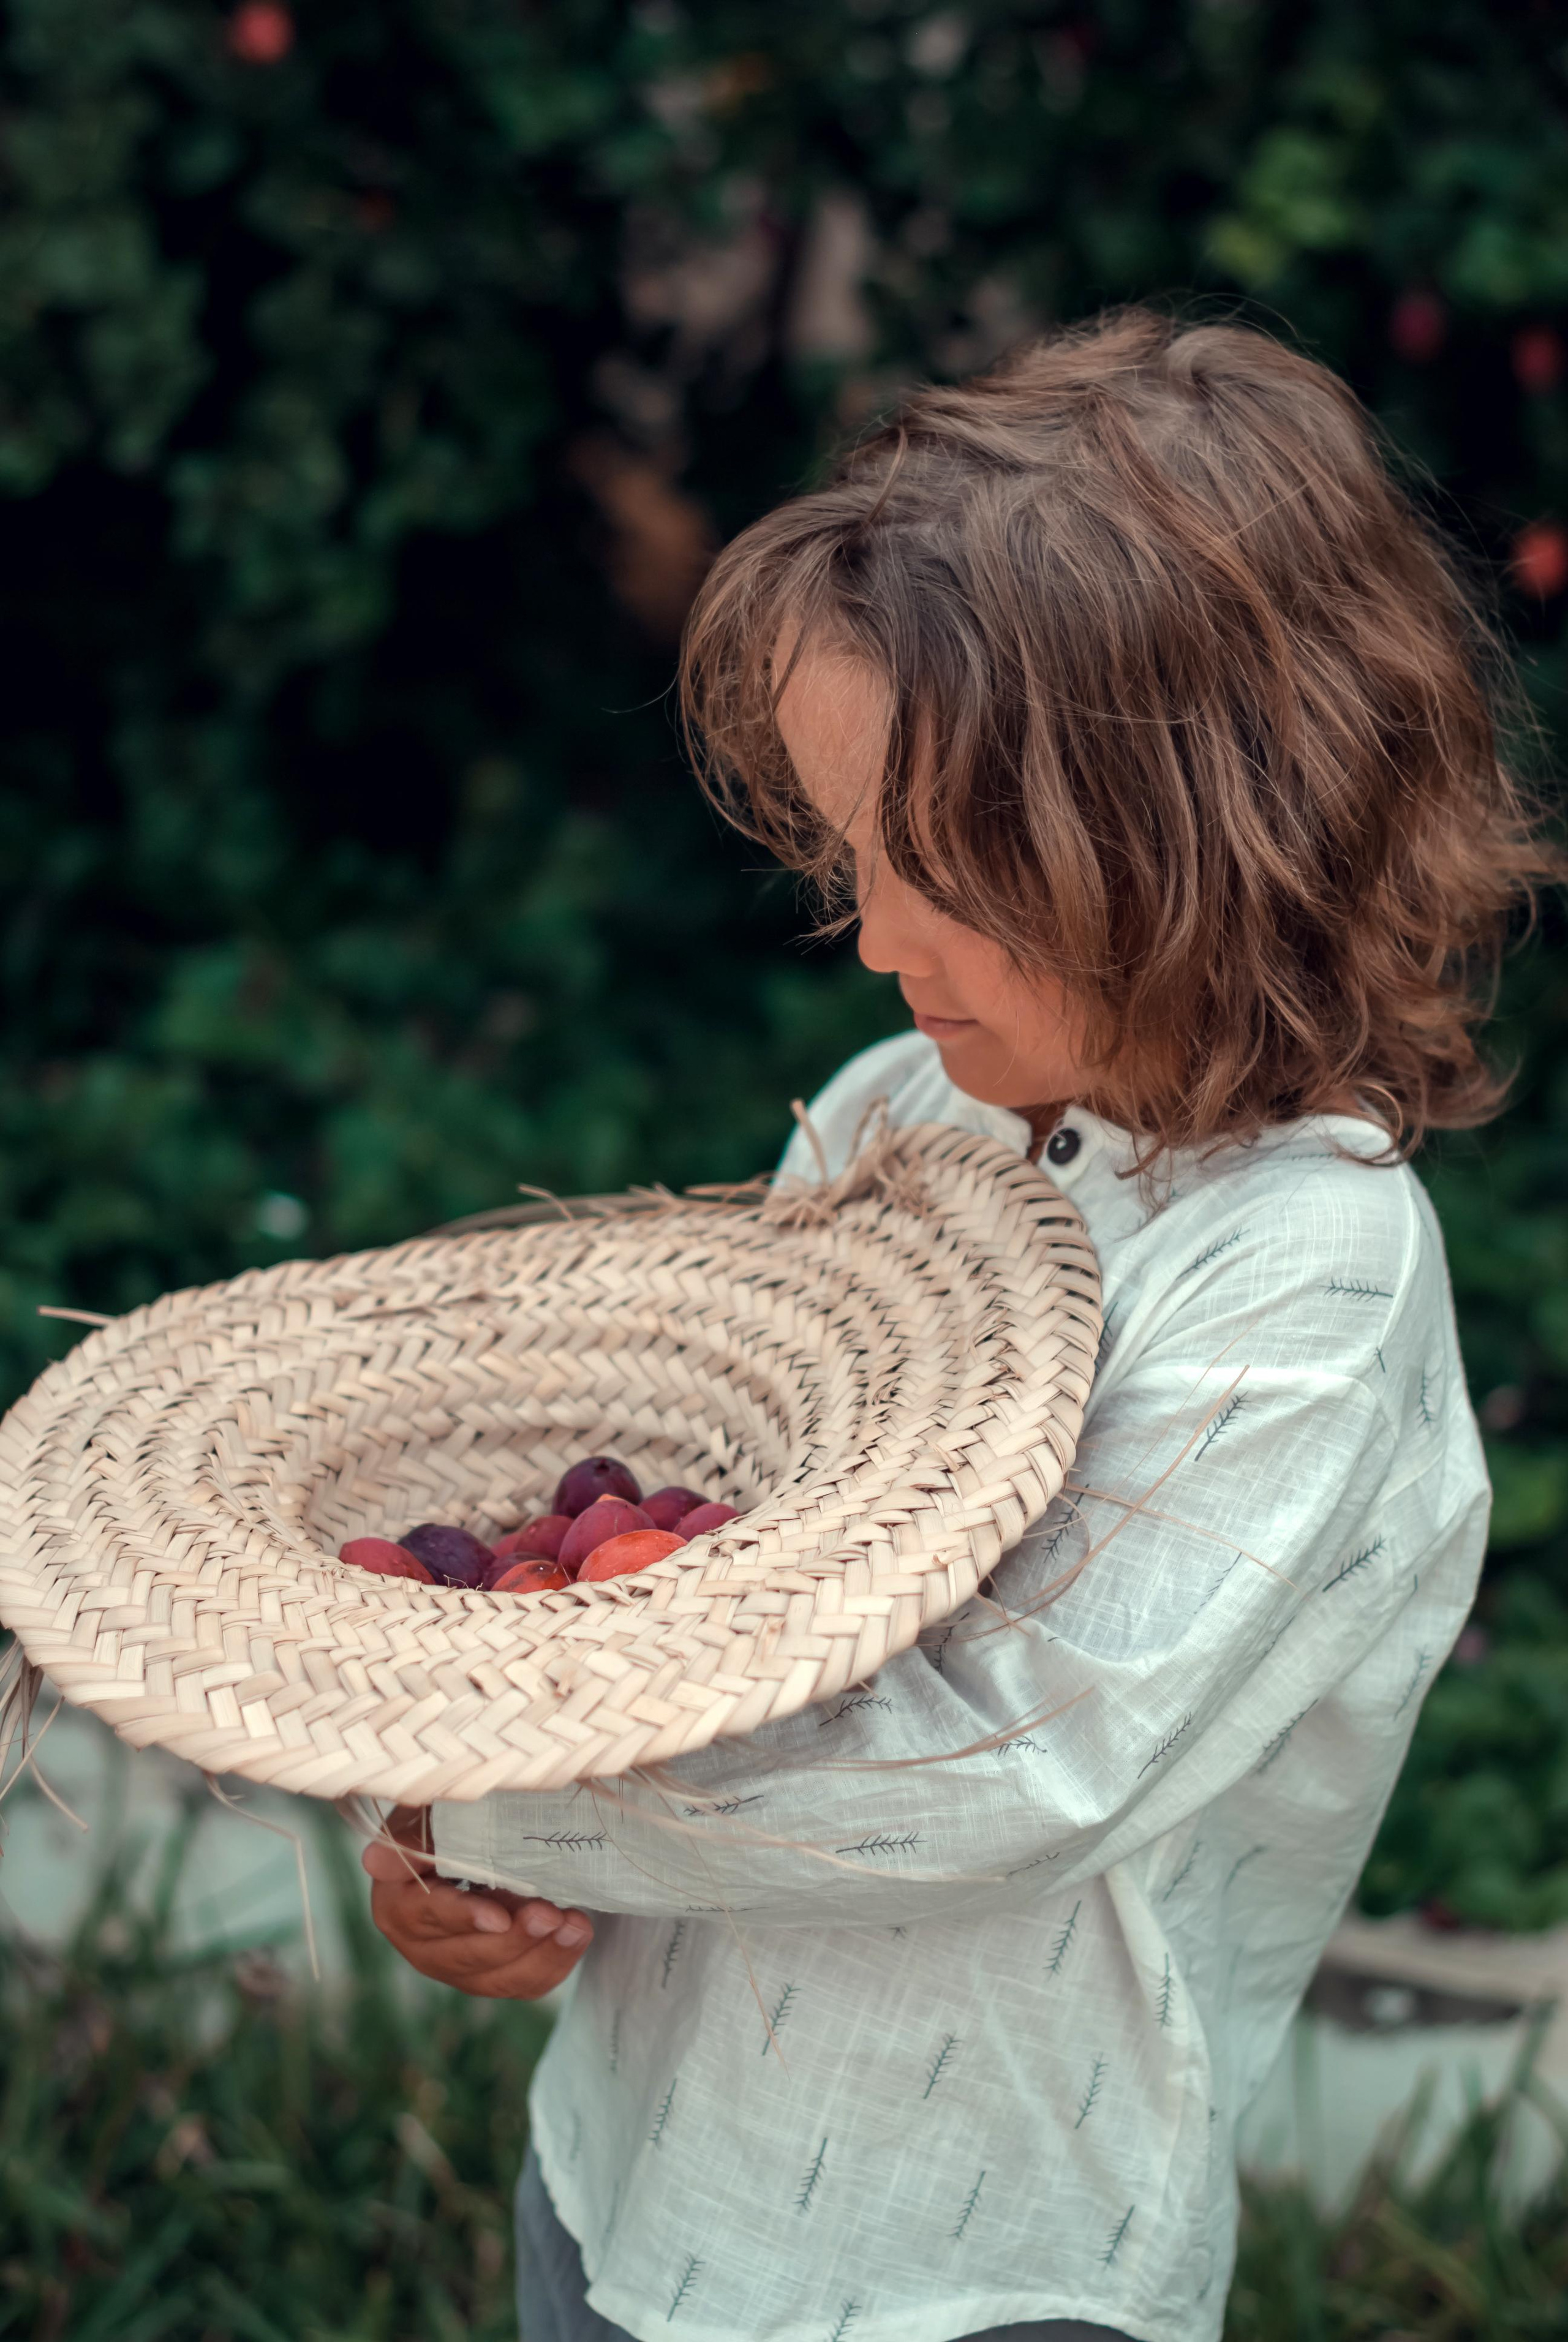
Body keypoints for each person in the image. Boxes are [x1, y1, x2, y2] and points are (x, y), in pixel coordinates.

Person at [362, 308, 1557, 2342]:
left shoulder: (1309, 1278)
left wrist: (490, 1789)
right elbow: (718, 1559)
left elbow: (1010, 1771)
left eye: (952, 876)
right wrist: (475, 1846)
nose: (877, 937)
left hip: (964, 2260)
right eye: (856, 855)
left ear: (1215, 853)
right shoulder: (912, 1116)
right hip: (639, 2157)